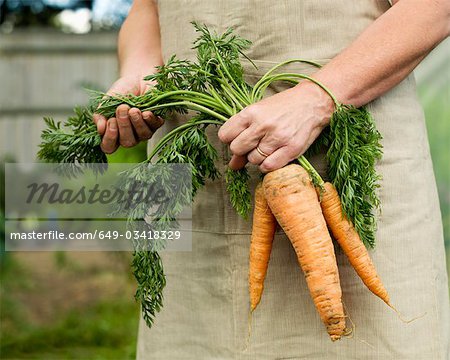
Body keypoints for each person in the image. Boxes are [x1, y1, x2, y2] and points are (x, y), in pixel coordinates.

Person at [93, 0, 450, 358]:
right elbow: (148, 9)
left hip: (345, 174)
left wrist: (319, 97)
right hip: (196, 185)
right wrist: (143, 70)